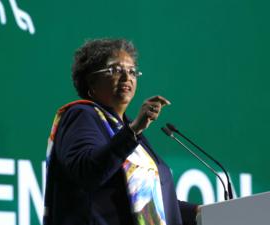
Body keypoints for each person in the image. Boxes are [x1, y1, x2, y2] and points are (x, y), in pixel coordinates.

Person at [44, 38, 198, 225]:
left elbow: (150, 201)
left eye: (132, 71)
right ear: (91, 81)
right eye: (116, 70)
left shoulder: (127, 128)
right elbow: (87, 171)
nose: (127, 77)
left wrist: (198, 212)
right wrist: (133, 131)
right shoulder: (82, 115)